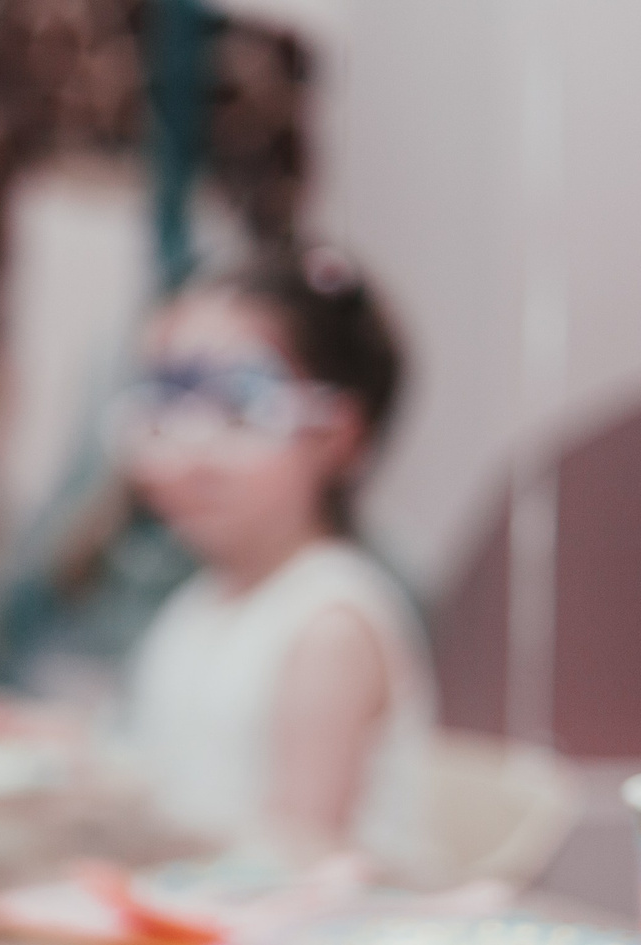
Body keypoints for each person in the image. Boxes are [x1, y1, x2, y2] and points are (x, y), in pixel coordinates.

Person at [111, 246, 435, 879]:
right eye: (167, 405)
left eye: (239, 410)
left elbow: (299, 857)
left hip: (309, 931)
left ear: (336, 435)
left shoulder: (329, 624)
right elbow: (175, 777)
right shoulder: (200, 603)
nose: (191, 455)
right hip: (205, 914)